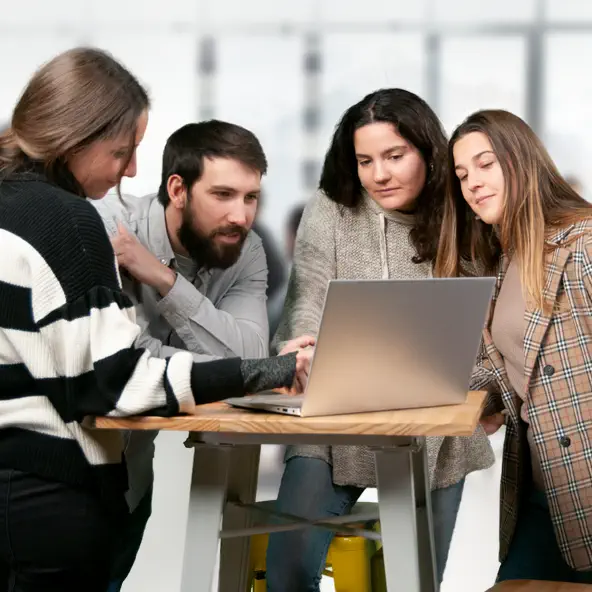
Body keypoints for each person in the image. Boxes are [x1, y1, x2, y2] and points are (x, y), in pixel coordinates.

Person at [0, 47, 311, 592]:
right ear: (77, 139)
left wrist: (168, 286)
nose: (132, 170)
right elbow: (117, 381)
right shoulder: (74, 221)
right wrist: (264, 372)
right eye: (123, 150)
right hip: (46, 497)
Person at [266, 88, 495, 591]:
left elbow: (487, 328)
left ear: (428, 153)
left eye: (395, 156)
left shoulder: (467, 212)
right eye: (365, 160)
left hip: (434, 428)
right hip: (334, 421)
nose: (379, 175)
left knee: (416, 581)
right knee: (288, 569)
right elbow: (307, 293)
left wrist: (478, 389)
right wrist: (299, 344)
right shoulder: (331, 207)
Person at [91, 119, 271, 590]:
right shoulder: (110, 226)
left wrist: (164, 280)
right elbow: (116, 356)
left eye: (251, 197)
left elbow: (250, 358)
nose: (242, 215)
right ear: (178, 189)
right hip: (73, 476)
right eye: (224, 195)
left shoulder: (246, 250)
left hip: (132, 480)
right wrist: (228, 361)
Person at [435, 109, 592, 584]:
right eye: (462, 175)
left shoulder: (583, 244)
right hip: (546, 490)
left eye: (485, 164)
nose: (472, 183)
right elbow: (521, 364)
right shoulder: (506, 260)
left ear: (521, 160)